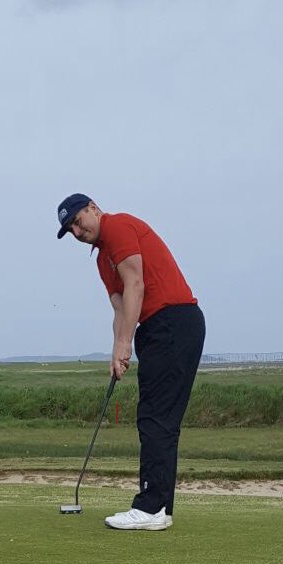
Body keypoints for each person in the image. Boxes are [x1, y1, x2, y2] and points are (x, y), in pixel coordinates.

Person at [56, 193, 206, 531]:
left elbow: (135, 284)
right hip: (157, 329)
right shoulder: (102, 259)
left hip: (172, 321)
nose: (77, 232)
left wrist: (126, 343)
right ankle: (159, 507)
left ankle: (151, 508)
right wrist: (118, 350)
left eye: (78, 221)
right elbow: (121, 307)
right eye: (71, 230)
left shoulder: (118, 226)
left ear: (93, 208)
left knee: (155, 418)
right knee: (157, 418)